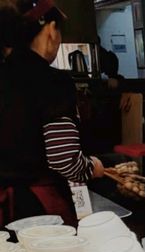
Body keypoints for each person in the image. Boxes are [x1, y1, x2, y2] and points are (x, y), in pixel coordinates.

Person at [0, 0, 104, 227]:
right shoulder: (53, 82)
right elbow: (63, 160)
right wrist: (92, 167)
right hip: (37, 211)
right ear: (50, 30)